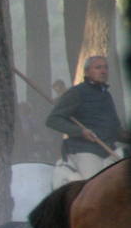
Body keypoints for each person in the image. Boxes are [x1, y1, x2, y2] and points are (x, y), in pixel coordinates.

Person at [46, 55, 128, 185]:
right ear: (87, 72)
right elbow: (53, 119)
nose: (103, 71)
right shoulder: (76, 93)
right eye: (98, 67)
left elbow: (115, 130)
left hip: (108, 150)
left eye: (106, 67)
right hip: (84, 150)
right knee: (96, 187)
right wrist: (80, 131)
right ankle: (70, 177)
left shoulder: (106, 96)